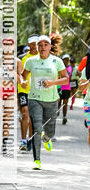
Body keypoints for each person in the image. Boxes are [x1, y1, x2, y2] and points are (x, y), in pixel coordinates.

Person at [21, 34, 68, 171]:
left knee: (50, 131)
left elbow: (65, 79)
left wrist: (52, 82)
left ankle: (46, 138)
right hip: (34, 98)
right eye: (40, 45)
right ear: (37, 47)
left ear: (50, 47)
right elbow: (23, 76)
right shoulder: (30, 61)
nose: (42, 48)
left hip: (52, 100)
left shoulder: (57, 61)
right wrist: (23, 82)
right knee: (36, 128)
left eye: (45, 45)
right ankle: (37, 160)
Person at [18, 36, 38, 151]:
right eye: (32, 43)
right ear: (28, 44)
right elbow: (18, 73)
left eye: (36, 43)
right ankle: (23, 140)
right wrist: (21, 80)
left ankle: (31, 139)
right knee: (25, 113)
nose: (34, 45)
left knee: (32, 116)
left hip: (36, 91)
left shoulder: (43, 58)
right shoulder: (22, 58)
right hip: (23, 90)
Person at [58, 54, 73, 124]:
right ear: (62, 60)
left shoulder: (70, 68)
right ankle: (57, 111)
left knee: (65, 103)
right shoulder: (59, 67)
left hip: (67, 88)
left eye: (67, 59)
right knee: (58, 101)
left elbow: (70, 76)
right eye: (65, 59)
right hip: (59, 87)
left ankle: (64, 117)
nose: (66, 61)